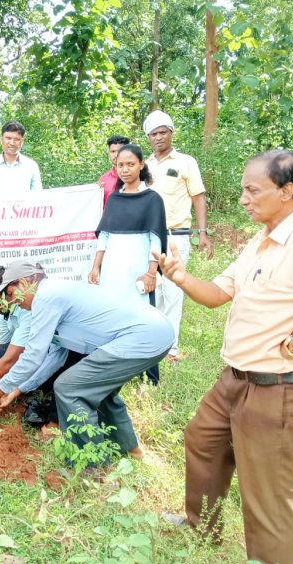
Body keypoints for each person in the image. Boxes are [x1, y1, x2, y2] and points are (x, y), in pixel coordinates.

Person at [154, 150, 293, 563]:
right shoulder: (261, 240)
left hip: (278, 387)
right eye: (243, 189)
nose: (243, 198)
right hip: (235, 378)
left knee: (267, 497)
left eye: (252, 190)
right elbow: (220, 294)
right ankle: (202, 528)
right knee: (203, 441)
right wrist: (181, 277)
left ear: (286, 191)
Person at [0, 261, 174, 464]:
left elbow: (33, 354)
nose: (12, 302)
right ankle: (129, 450)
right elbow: (56, 355)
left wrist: (1, 386)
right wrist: (16, 389)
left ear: (24, 282)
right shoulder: (51, 297)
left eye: (10, 294)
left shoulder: (47, 296)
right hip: (152, 334)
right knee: (96, 390)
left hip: (144, 337)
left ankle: (93, 467)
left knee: (69, 387)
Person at [0, 265, 83, 423]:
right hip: (46, 355)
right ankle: (25, 388)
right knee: (1, 352)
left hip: (66, 355)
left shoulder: (28, 308)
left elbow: (13, 359)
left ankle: (49, 409)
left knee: (62, 379)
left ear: (8, 294)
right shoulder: (5, 310)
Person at [88, 144, 167, 385]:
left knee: (143, 317)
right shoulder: (114, 198)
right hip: (112, 268)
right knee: (111, 315)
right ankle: (113, 369)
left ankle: (149, 376)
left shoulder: (153, 199)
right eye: (120, 165)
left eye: (130, 164)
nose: (125, 169)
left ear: (141, 165)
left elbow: (156, 238)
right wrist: (95, 267)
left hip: (137, 269)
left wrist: (151, 272)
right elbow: (105, 236)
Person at [143, 110, 213, 361]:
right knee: (153, 290)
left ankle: (170, 348)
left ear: (171, 133)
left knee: (173, 290)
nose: (159, 137)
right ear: (148, 138)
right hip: (149, 237)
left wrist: (202, 232)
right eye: (154, 134)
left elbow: (198, 196)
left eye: (163, 132)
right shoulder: (145, 165)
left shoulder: (186, 162)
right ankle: (155, 342)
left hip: (176, 235)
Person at [0, 121, 43, 196]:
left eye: (17, 139)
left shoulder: (31, 166)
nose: (12, 143)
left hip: (23, 208)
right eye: (8, 138)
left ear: (22, 142)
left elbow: (38, 198)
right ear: (1, 139)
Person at [97, 135, 130, 207]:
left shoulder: (137, 175)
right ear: (109, 153)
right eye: (113, 151)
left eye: (120, 151)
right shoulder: (103, 179)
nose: (116, 155)